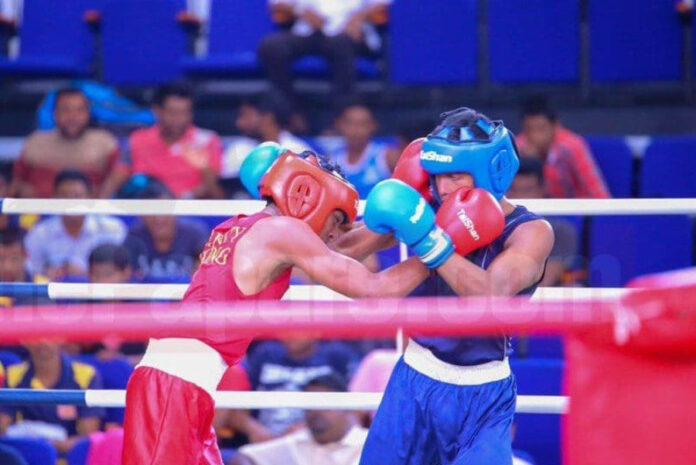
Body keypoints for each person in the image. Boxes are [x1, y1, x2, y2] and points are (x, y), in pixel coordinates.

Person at [121, 143, 431, 465]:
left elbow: (335, 251)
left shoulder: (239, 226)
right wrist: (441, 245)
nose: (334, 233)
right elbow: (372, 288)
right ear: (307, 197)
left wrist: (401, 223)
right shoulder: (282, 232)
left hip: (183, 385)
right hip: (174, 387)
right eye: (336, 220)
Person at [335, 107, 553, 464]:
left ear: (490, 172)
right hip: (414, 381)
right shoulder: (429, 206)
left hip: (484, 395)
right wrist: (388, 210)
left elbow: (491, 295)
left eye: (455, 175)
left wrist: (430, 239)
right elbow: (343, 249)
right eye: (436, 176)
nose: (443, 187)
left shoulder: (531, 232)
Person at [227, 338, 359, 442]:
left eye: (298, 326)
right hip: (262, 439)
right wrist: (253, 429)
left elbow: (349, 410)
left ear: (317, 328)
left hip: (314, 435)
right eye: (286, 325)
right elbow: (237, 405)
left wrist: (309, 428)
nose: (289, 333)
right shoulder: (265, 353)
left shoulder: (335, 356)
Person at [257, 0, 390, 103]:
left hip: (350, 32)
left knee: (340, 44)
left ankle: (342, 117)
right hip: (309, 31)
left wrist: (360, 17)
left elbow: (381, 4)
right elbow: (278, 4)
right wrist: (301, 11)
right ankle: (286, 114)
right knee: (271, 46)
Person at [10, 87, 128, 199]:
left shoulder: (104, 142)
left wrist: (101, 198)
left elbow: (122, 171)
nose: (73, 117)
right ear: (55, 113)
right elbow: (17, 182)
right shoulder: (36, 141)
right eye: (66, 110)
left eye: (79, 110)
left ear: (88, 113)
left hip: (88, 215)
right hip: (38, 215)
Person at [230, 373, 368, 465]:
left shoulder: (370, 443)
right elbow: (243, 458)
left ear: (346, 405)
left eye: (323, 403)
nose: (315, 411)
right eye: (309, 405)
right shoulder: (297, 442)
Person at [0, 343, 105, 454]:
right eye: (36, 333)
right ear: (25, 340)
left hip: (68, 457)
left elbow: (88, 438)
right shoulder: (12, 375)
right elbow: (3, 429)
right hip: (24, 455)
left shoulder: (86, 375)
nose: (43, 341)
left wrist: (46, 446)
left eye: (49, 332)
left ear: (61, 337)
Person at [24, 171, 126, 280]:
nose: (71, 202)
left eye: (77, 196)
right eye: (64, 196)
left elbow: (121, 271)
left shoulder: (113, 229)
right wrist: (47, 273)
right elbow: (31, 270)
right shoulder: (39, 233)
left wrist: (86, 274)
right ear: (54, 198)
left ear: (89, 198)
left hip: (99, 292)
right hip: (54, 293)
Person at [126, 83, 224, 199]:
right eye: (173, 113)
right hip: (147, 211)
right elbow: (123, 179)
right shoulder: (137, 140)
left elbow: (217, 194)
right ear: (157, 111)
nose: (180, 119)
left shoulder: (206, 140)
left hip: (192, 211)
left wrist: (204, 168)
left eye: (185, 113)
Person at [516, 97, 610, 199]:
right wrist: (529, 162)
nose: (535, 136)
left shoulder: (573, 147)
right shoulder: (518, 148)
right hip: (535, 211)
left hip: (574, 210)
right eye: (529, 129)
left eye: (541, 128)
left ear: (555, 126)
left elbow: (599, 193)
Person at [508, 157, 581, 287]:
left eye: (527, 190)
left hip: (539, 300)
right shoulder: (491, 227)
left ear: (542, 189)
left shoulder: (561, 231)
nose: (520, 197)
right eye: (514, 189)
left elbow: (545, 281)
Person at [222, 93, 312, 196]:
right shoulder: (238, 149)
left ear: (267, 117)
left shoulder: (297, 149)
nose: (239, 123)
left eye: (245, 115)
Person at [122, 180, 209, 282]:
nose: (159, 219)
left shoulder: (194, 233)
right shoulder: (134, 236)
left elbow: (208, 271)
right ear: (141, 216)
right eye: (151, 212)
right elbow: (126, 275)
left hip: (187, 295)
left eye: (164, 210)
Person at [329, 101, 391, 198]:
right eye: (350, 123)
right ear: (339, 124)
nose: (355, 130)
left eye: (362, 124)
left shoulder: (388, 156)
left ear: (373, 126)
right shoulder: (331, 160)